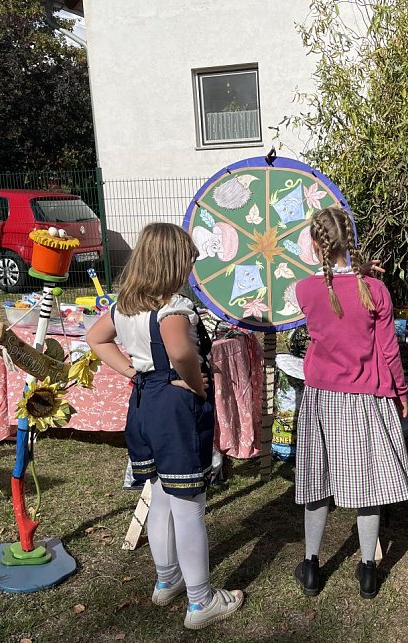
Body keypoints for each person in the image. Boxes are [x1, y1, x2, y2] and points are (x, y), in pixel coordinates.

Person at [86, 223, 244, 631]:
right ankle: (200, 600)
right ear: (173, 260)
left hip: (144, 405)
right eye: (189, 257)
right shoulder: (173, 308)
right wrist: (195, 383)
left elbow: (96, 337)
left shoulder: (125, 305)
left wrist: (134, 372)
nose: (193, 264)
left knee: (159, 495)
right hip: (175, 409)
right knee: (189, 504)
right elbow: (179, 351)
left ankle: (167, 579)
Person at [293, 206, 408, 599]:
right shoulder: (375, 290)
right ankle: (366, 569)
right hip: (366, 400)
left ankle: (311, 565)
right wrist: (401, 393)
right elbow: (390, 351)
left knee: (316, 481)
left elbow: (325, 307)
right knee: (369, 485)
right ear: (353, 241)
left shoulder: (305, 289)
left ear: (315, 244)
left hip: (321, 398)